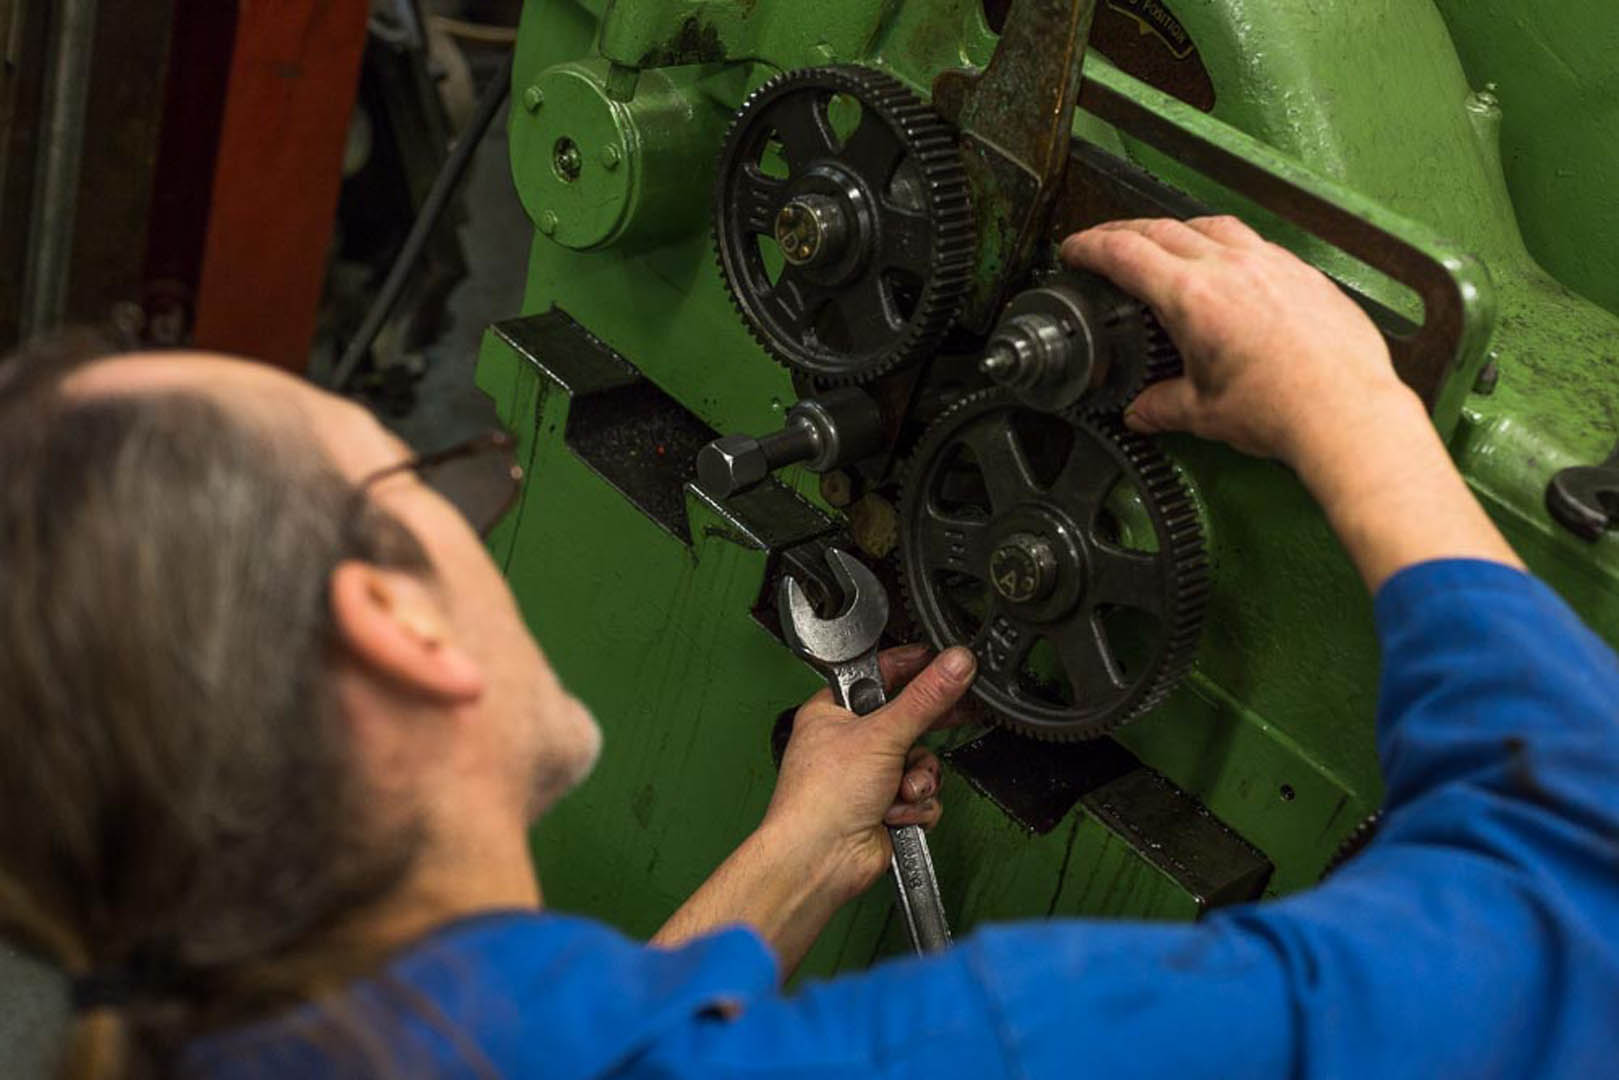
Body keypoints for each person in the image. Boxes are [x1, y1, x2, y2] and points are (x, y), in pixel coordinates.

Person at [0, 216, 1614, 1079]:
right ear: (397, 623)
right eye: (414, 472)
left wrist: (788, 860)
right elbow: (1571, 896)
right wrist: (1354, 411)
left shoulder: (200, 1032)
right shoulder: (996, 1049)